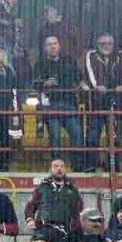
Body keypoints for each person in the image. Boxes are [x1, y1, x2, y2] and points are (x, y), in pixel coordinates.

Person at [81, 33, 122, 171]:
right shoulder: (91, 55)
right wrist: (97, 85)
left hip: (117, 103)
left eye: (108, 43)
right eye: (102, 43)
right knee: (92, 137)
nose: (105, 46)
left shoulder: (121, 55)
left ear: (113, 44)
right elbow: (89, 72)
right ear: (97, 45)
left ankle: (113, 167)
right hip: (96, 103)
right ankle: (91, 166)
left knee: (115, 138)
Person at [33, 36, 83, 169]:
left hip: (69, 103)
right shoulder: (40, 63)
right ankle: (56, 167)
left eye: (55, 43)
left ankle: (77, 166)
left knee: (77, 133)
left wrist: (85, 88)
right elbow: (34, 83)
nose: (53, 46)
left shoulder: (70, 60)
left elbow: (80, 78)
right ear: (44, 48)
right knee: (55, 136)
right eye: (49, 44)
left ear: (59, 45)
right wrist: (45, 83)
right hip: (51, 105)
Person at [24, 158, 83, 242]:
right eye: (56, 166)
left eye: (61, 166)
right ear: (51, 169)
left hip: (63, 233)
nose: (59, 169)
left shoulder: (72, 190)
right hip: (43, 231)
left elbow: (78, 212)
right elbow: (30, 206)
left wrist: (75, 232)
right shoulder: (42, 188)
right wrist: (30, 219)